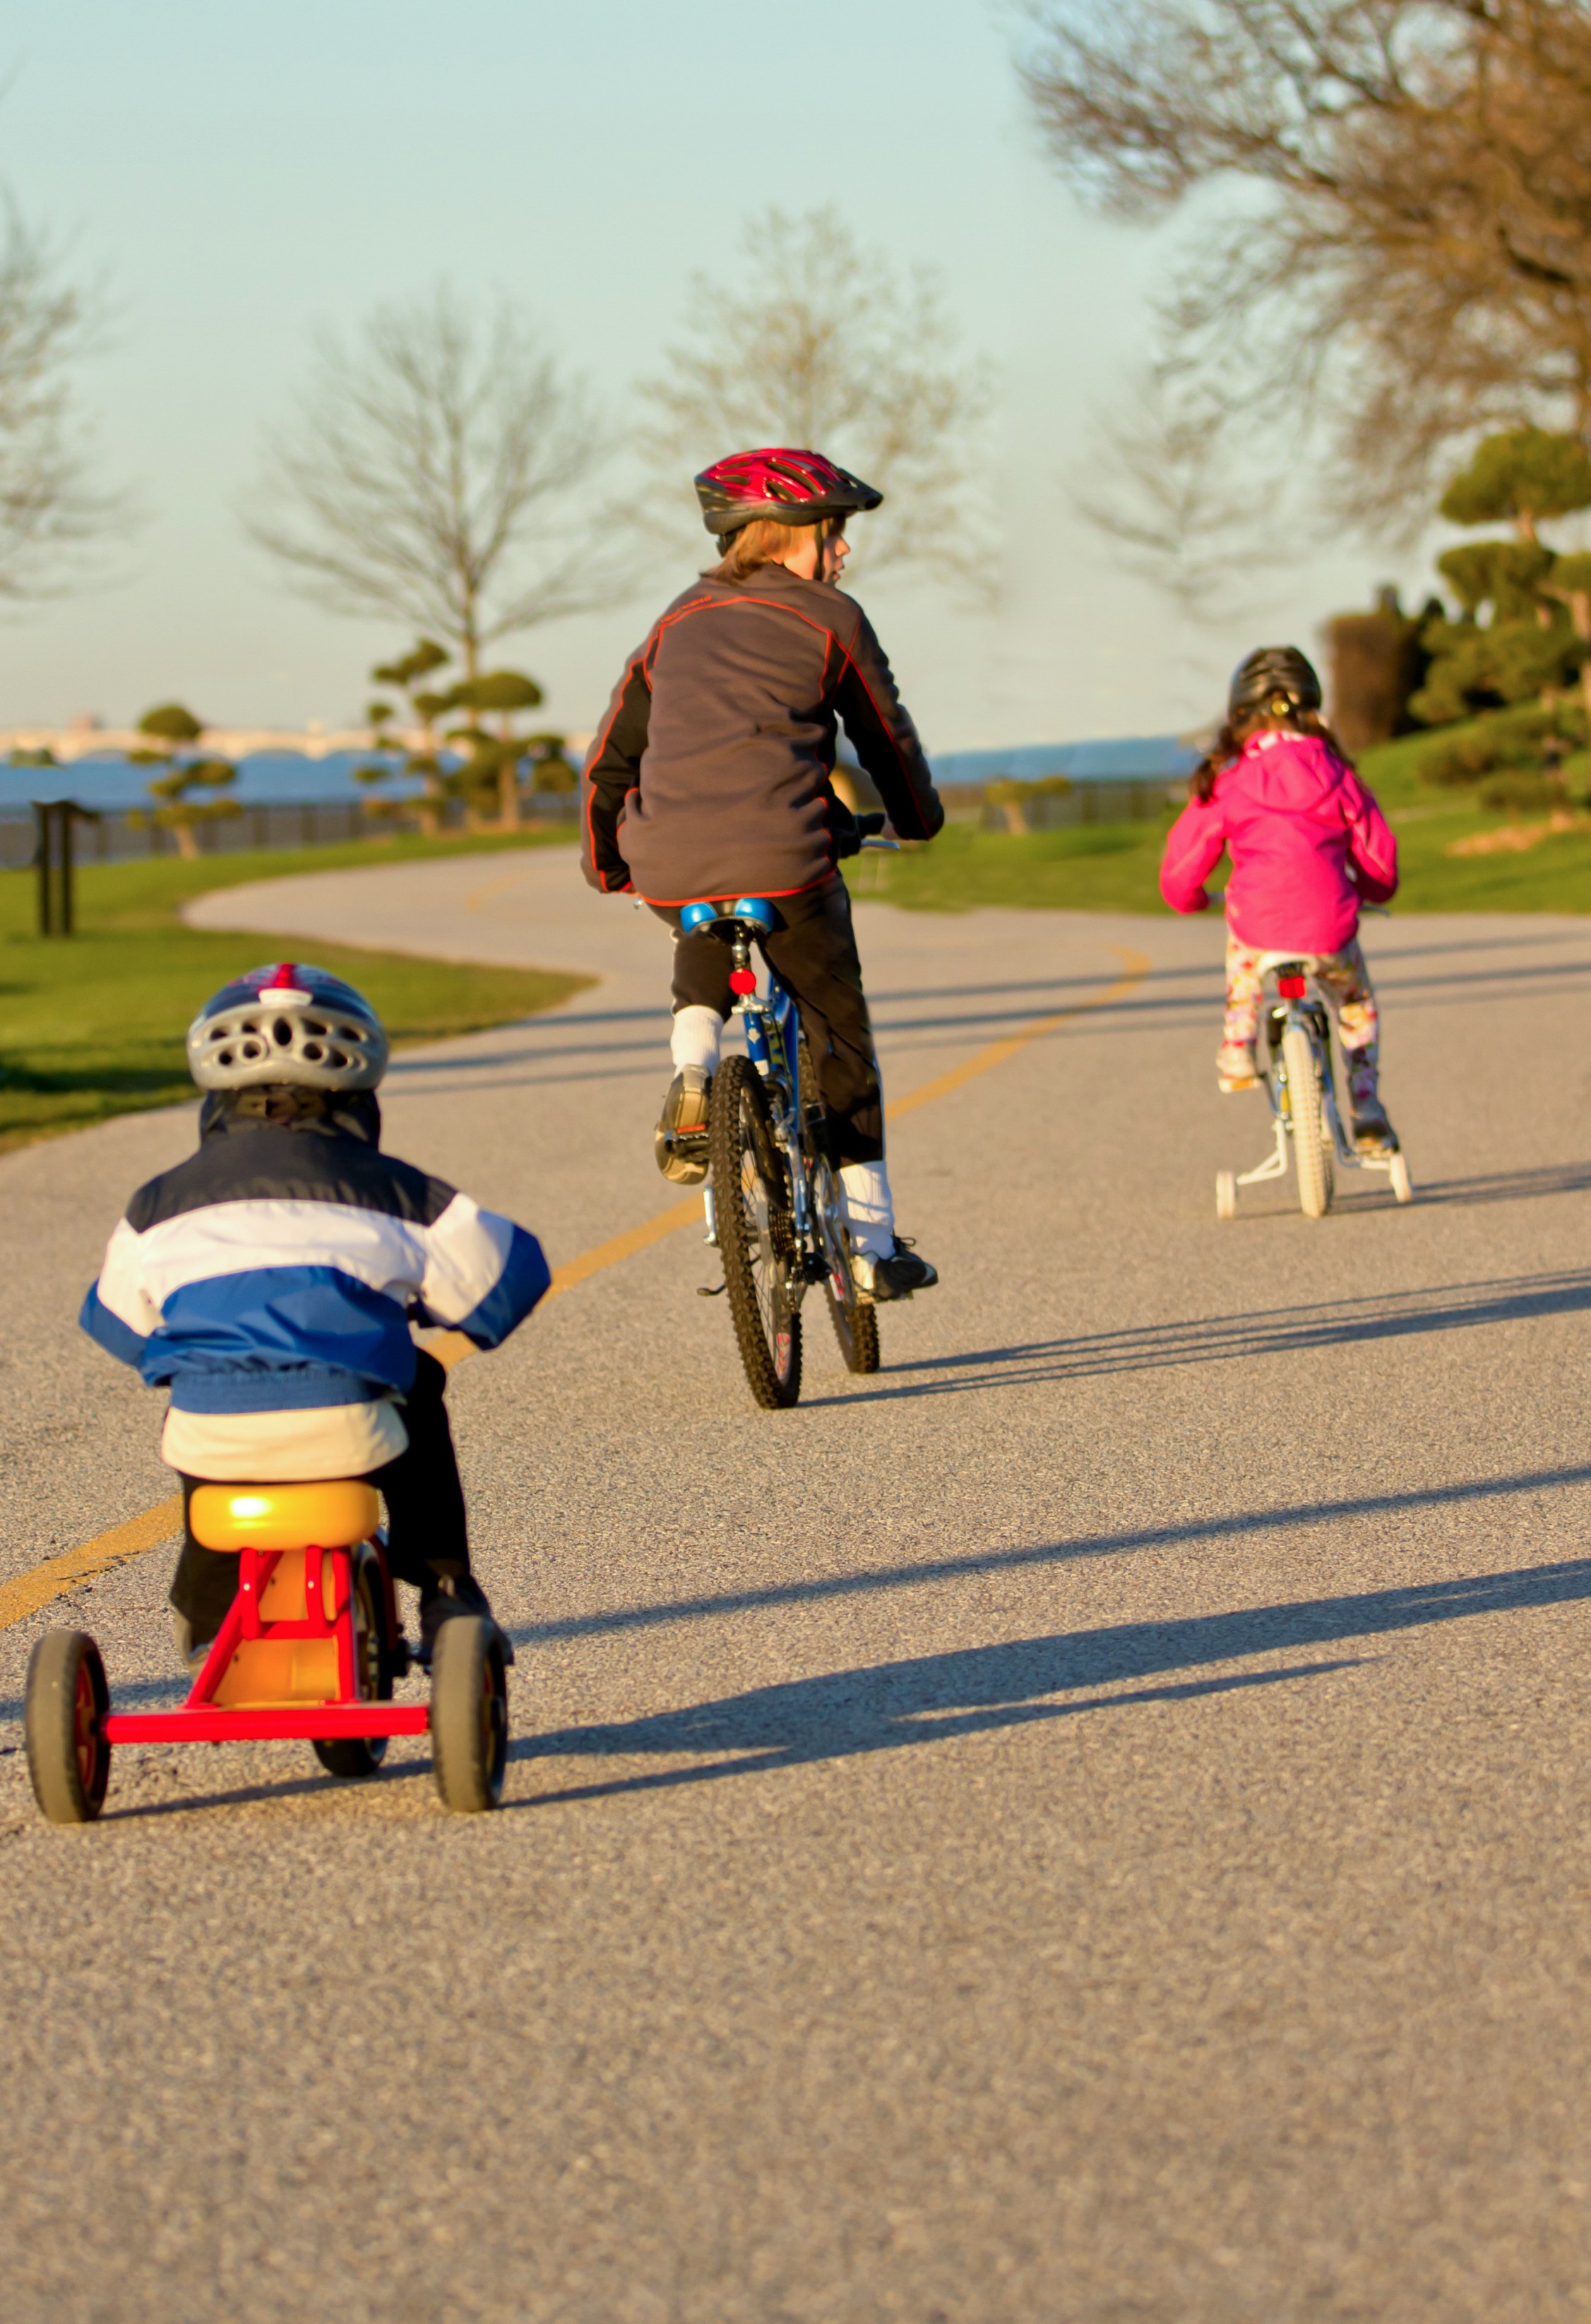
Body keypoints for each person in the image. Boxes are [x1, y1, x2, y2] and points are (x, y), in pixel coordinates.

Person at [78, 959, 549, 1662]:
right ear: (360, 1090)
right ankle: (447, 1586)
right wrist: (414, 1301)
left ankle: (206, 1607)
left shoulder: (156, 1203)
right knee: (418, 1379)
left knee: (198, 1381)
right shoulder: (400, 1194)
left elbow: (122, 1326)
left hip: (212, 1441)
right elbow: (506, 1283)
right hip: (350, 1424)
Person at [581, 445, 945, 1302]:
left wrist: (608, 862)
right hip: (785, 853)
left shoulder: (673, 621)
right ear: (783, 536)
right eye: (835, 532)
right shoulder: (833, 618)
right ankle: (871, 1242)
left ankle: (699, 1060)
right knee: (836, 1026)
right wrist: (915, 820)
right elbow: (884, 738)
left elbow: (611, 756)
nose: (845, 552)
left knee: (704, 911)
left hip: (668, 857)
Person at [1159, 645, 1402, 1152]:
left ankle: (1237, 1046)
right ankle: (1366, 1102)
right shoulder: (1339, 776)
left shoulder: (1227, 780)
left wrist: (1191, 900)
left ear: (1239, 717)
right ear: (1313, 713)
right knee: (1354, 1004)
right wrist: (1366, 892)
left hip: (1259, 927)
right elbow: (1379, 863)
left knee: (1242, 951)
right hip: (1330, 928)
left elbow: (1182, 867)